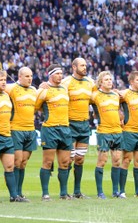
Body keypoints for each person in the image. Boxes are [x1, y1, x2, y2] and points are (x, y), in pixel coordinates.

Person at [0, 70, 28, 202]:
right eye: (0, 80)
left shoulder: (7, 95)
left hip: (7, 136)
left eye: (4, 80)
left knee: (10, 167)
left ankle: (14, 196)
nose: (4, 82)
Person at [35, 64, 72, 201]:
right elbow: (36, 107)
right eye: (57, 73)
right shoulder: (43, 90)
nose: (60, 76)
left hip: (65, 128)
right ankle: (45, 193)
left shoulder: (64, 88)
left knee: (65, 162)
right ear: (50, 75)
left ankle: (63, 193)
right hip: (50, 128)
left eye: (61, 73)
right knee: (48, 162)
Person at [60, 58, 96, 199]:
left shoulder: (90, 83)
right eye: (82, 65)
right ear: (74, 67)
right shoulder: (66, 82)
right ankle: (64, 192)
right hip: (70, 124)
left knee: (80, 159)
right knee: (68, 159)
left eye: (86, 65)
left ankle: (77, 192)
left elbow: (100, 94)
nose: (85, 67)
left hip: (84, 124)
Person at [5, 67, 38, 199]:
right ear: (19, 77)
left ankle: (19, 192)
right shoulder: (11, 88)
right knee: (17, 161)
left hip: (30, 130)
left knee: (24, 162)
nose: (30, 78)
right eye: (26, 76)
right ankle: (14, 194)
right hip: (16, 129)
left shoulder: (33, 90)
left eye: (31, 76)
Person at [91, 71, 123, 199]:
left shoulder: (116, 95)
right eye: (106, 80)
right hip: (104, 132)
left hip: (117, 132)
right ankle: (100, 192)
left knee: (116, 161)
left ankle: (116, 191)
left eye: (110, 79)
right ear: (100, 82)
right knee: (102, 161)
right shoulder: (95, 95)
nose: (109, 81)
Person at [118, 71, 138, 197]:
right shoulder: (125, 93)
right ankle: (122, 191)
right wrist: (119, 114)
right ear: (131, 82)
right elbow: (114, 98)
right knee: (126, 160)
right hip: (129, 131)